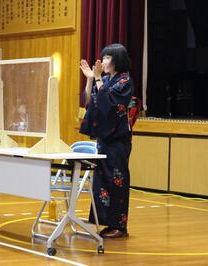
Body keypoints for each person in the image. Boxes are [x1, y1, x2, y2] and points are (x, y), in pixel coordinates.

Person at [79, 43, 133, 238]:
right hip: (104, 141)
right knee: (102, 181)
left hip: (117, 142)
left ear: (117, 60)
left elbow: (109, 105)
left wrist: (99, 79)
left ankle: (120, 226)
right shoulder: (107, 80)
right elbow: (90, 102)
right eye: (104, 57)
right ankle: (106, 223)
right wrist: (90, 80)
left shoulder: (124, 81)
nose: (103, 62)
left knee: (117, 180)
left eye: (108, 58)